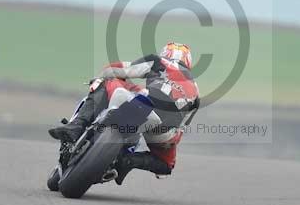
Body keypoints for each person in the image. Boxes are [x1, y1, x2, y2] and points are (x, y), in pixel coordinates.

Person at [49, 42, 199, 185]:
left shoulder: (159, 61)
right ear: (188, 62)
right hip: (165, 129)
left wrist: (99, 78)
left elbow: (118, 69)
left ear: (166, 53)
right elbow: (184, 125)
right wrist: (169, 139)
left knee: (107, 80)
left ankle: (76, 126)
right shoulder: (195, 89)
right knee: (166, 165)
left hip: (146, 102)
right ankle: (126, 161)